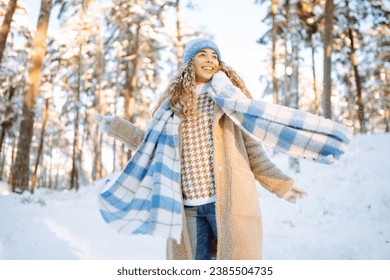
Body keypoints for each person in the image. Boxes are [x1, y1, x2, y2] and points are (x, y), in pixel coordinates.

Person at [96, 38, 350, 260]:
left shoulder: (231, 103)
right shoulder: (171, 108)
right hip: (188, 210)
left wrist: (282, 185)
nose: (210, 60)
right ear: (189, 64)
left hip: (228, 205)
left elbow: (254, 153)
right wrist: (116, 127)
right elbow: (149, 146)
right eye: (202, 55)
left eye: (214, 55)